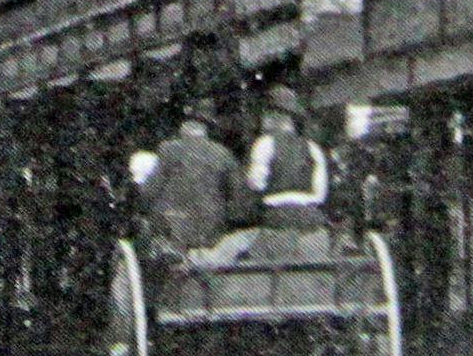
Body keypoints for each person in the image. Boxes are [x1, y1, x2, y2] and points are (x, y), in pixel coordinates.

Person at [132, 100, 253, 256]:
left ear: (183, 126)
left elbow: (149, 192)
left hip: (173, 231)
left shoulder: (168, 149)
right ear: (208, 129)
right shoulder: (223, 154)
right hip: (211, 236)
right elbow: (240, 201)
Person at [243, 87, 333, 249]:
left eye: (266, 114)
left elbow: (256, 184)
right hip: (311, 220)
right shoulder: (313, 148)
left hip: (277, 220)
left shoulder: (265, 143)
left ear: (274, 116)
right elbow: (321, 193)